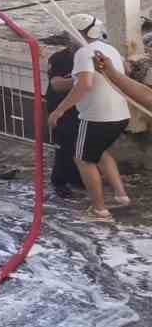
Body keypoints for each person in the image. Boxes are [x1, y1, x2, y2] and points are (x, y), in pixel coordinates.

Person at [48, 39, 133, 221]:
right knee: (100, 152)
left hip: (96, 117)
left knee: (84, 160)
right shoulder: (110, 49)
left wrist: (59, 110)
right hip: (120, 115)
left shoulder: (83, 52)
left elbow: (85, 84)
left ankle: (99, 210)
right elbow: (125, 72)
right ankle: (121, 196)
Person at [44, 47, 83, 198]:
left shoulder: (95, 53)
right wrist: (83, 79)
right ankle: (60, 181)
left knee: (80, 144)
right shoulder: (60, 58)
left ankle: (78, 178)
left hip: (83, 107)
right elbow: (56, 84)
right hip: (61, 106)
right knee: (64, 145)